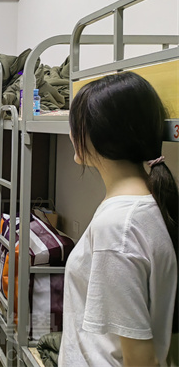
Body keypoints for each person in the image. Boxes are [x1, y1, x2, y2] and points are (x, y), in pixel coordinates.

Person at [59, 72, 178, 366]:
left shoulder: (117, 227)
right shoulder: (146, 202)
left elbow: (141, 360)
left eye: (76, 125)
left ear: (98, 135)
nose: (71, 134)